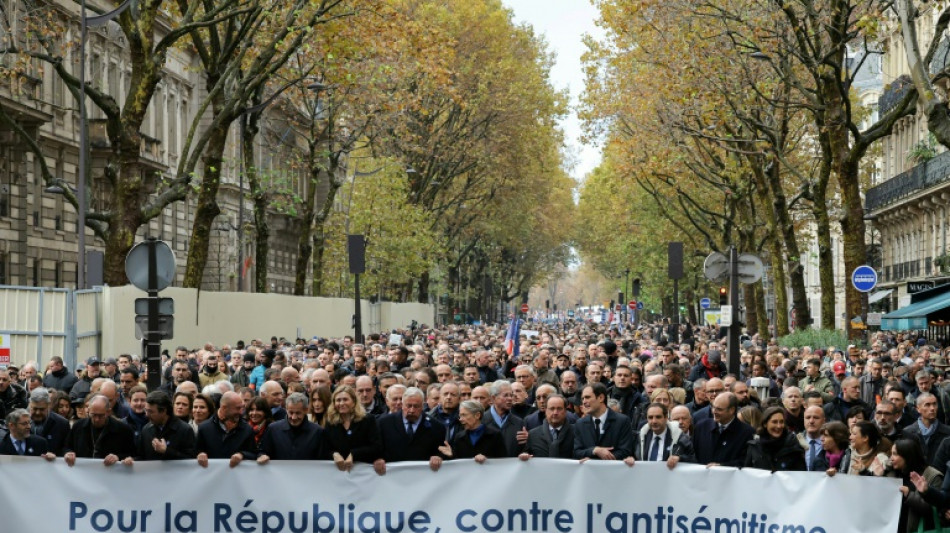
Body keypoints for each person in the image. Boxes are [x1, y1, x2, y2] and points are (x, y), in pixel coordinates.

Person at [374, 387, 445, 474]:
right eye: (408, 406)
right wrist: (377, 458)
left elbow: (441, 451)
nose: (411, 410)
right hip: (391, 477)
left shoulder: (437, 427)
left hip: (423, 477)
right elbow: (376, 447)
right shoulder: (383, 423)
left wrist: (438, 457)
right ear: (402, 405)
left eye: (416, 406)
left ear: (423, 406)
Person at [63, 394, 136, 467]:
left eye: (101, 415)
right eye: (93, 415)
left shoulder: (123, 430)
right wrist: (68, 453)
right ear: (88, 410)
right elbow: (67, 447)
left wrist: (118, 457)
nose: (97, 419)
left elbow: (132, 455)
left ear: (108, 412)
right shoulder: (78, 426)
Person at [322, 385, 382, 471]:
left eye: (345, 399)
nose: (341, 403)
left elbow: (376, 447)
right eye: (338, 400)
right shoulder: (330, 422)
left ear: (354, 401)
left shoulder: (367, 420)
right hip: (339, 472)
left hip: (363, 471)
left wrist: (354, 454)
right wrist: (334, 454)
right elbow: (325, 449)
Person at [573, 382, 634, 462]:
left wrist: (598, 459)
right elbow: (576, 452)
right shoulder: (580, 424)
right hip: (589, 472)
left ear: (601, 398)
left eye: (587, 397)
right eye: (582, 398)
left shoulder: (622, 421)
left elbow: (626, 451)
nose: (584, 402)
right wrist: (594, 451)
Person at [196, 391, 258, 468]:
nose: (241, 412)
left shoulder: (247, 429)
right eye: (237, 408)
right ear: (224, 408)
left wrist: (242, 455)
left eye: (242, 408)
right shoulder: (204, 428)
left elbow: (254, 454)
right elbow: (195, 451)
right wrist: (200, 454)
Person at [257, 392, 324, 462]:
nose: (294, 417)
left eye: (298, 413)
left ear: (306, 410)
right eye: (291, 413)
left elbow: (323, 459)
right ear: (286, 409)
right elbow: (262, 451)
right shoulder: (273, 429)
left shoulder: (317, 432)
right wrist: (262, 456)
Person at [693, 392, 755, 467]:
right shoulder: (701, 427)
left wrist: (722, 466)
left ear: (732, 410)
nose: (714, 412)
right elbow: (692, 454)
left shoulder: (747, 432)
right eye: (713, 407)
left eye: (719, 409)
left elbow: (746, 461)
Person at [896, 438, 945, 532]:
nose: (891, 458)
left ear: (907, 455)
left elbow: (934, 509)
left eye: (895, 454)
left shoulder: (933, 476)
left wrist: (909, 495)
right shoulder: (896, 473)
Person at [439, 400, 507, 462]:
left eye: (464, 415)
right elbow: (458, 463)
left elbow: (503, 460)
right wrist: (451, 455)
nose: (460, 419)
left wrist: (486, 459)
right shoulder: (459, 437)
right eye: (460, 416)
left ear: (477, 415)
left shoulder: (495, 435)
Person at [137, 391, 197, 460]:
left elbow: (191, 460)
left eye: (151, 412)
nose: (146, 415)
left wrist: (166, 451)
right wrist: (131, 460)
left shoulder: (185, 430)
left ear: (163, 411)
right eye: (146, 410)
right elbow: (141, 457)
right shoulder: (146, 430)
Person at [744, 406, 806, 472]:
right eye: (774, 422)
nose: (779, 426)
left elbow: (800, 475)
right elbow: (747, 474)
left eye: (781, 422)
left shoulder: (793, 446)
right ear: (765, 424)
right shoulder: (754, 447)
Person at [632, 402, 694, 468]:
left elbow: (693, 460)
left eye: (658, 417)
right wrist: (631, 459)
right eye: (650, 417)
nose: (654, 421)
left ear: (666, 418)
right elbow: (634, 456)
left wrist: (680, 458)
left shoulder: (680, 438)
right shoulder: (641, 437)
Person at [519, 394, 575, 459]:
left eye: (559, 409)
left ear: (565, 411)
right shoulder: (533, 435)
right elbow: (526, 455)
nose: (555, 412)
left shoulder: (576, 432)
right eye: (552, 409)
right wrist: (525, 456)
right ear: (545, 410)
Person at [482, 380, 528, 457]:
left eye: (511, 395)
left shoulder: (519, 422)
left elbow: (524, 449)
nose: (510, 398)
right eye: (506, 395)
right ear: (493, 398)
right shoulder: (481, 421)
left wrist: (527, 442)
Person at [28, 387, 70, 456]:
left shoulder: (62, 424)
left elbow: (67, 448)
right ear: (30, 405)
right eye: (35, 409)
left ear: (48, 405)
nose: (38, 412)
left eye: (42, 409)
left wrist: (57, 456)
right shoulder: (20, 421)